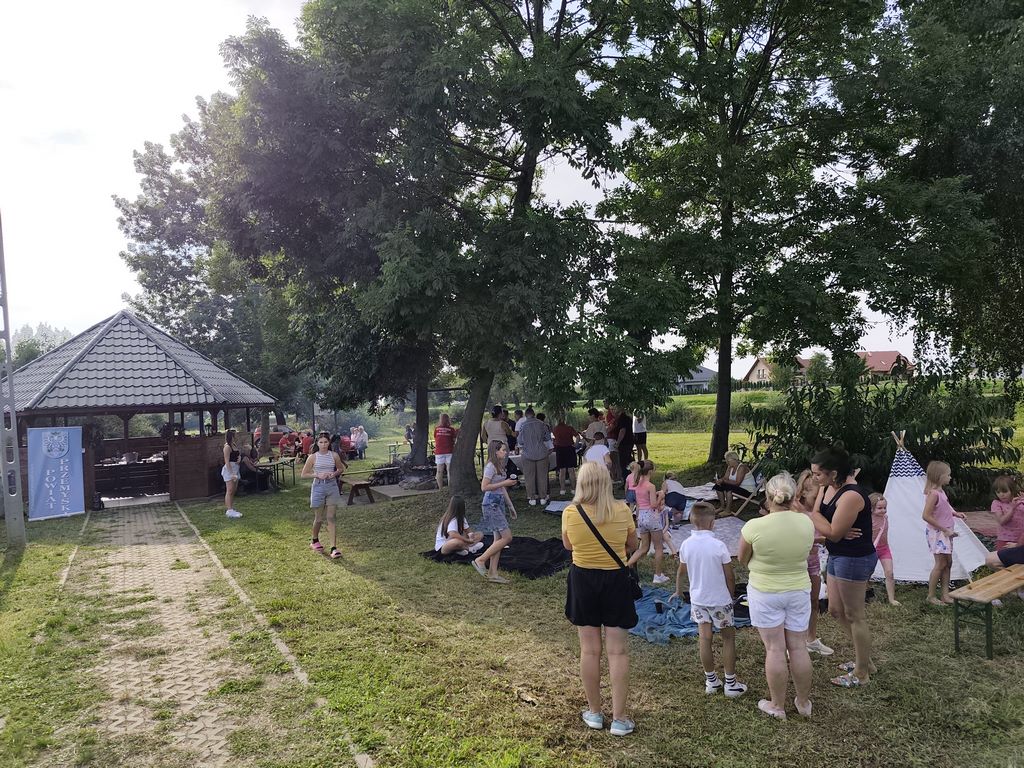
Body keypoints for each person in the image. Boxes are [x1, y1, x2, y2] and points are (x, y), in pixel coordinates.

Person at [561, 461, 638, 737]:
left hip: (583, 581)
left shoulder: (570, 513)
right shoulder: (622, 510)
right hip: (616, 580)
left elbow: (568, 545)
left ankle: (594, 712)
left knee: (589, 650)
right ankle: (619, 718)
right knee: (618, 651)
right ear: (607, 482)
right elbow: (632, 545)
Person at [738, 472, 815, 719]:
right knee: (799, 647)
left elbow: (742, 559)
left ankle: (777, 706)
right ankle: (803, 703)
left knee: (774, 649)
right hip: (798, 590)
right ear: (794, 497)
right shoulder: (806, 522)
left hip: (765, 591)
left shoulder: (753, 526)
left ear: (768, 497)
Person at [808, 446, 876, 688]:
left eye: (818, 473)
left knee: (855, 615)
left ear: (834, 473)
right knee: (836, 610)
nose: (814, 478)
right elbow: (816, 513)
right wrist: (827, 525)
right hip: (838, 555)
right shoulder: (826, 487)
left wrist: (827, 526)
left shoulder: (851, 496)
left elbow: (833, 533)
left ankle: (862, 673)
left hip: (855, 558)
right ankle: (865, 661)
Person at [673, 501, 747, 699]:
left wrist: (678, 590)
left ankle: (711, 681)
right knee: (728, 638)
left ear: (691, 521)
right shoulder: (718, 546)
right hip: (720, 600)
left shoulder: (686, 545)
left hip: (698, 600)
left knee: (704, 639)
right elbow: (729, 576)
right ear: (713, 523)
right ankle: (730, 683)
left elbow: (681, 571)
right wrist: (730, 596)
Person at [792, 470, 833, 656]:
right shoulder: (793, 511)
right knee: (796, 604)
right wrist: (821, 539)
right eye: (816, 497)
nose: (819, 501)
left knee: (814, 601)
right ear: (802, 492)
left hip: (814, 561)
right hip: (797, 563)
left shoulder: (817, 512)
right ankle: (794, 643)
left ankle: (811, 639)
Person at [921, 460, 967, 606]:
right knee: (940, 564)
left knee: (948, 563)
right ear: (939, 476)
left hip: (946, 532)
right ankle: (931, 596)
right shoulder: (933, 494)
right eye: (948, 475)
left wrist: (955, 513)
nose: (950, 477)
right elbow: (926, 515)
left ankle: (945, 595)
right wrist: (944, 529)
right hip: (938, 533)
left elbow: (944, 508)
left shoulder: (941, 492)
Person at [472, 441, 518, 584]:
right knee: (507, 537)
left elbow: (502, 489)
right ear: (496, 451)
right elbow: (484, 487)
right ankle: (480, 560)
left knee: (498, 540)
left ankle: (493, 573)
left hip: (498, 503)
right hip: (490, 504)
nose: (505, 452)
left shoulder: (500, 466)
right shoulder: (490, 467)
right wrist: (505, 483)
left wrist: (510, 506)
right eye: (503, 450)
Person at [301, 433, 347, 559]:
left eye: (326, 442)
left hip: (332, 486)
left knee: (331, 517)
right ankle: (315, 540)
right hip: (318, 487)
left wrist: (334, 474)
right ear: (317, 443)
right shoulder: (312, 457)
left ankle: (334, 548)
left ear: (329, 443)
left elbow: (340, 469)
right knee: (319, 518)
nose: (323, 445)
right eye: (321, 442)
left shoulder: (334, 455)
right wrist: (317, 475)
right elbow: (304, 474)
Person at [626, 461, 669, 584]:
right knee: (658, 547)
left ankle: (626, 567)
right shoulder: (650, 486)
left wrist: (656, 495)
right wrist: (661, 495)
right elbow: (654, 505)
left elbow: (642, 501)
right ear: (650, 471)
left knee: (643, 548)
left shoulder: (637, 484)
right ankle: (658, 575)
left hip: (641, 517)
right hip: (652, 517)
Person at [870, 492, 900, 606]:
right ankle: (864, 594)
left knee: (889, 573)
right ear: (871, 508)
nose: (883, 510)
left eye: (885, 508)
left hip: (884, 549)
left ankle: (891, 599)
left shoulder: (885, 518)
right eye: (879, 508)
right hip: (871, 550)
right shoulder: (868, 520)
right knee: (867, 574)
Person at [517, 408, 551, 506]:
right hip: (541, 453)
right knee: (542, 476)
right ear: (534, 414)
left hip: (527, 454)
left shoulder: (523, 425)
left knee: (529, 477)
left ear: (525, 415)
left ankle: (532, 498)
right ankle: (543, 497)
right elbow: (547, 438)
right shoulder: (542, 424)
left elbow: (520, 441)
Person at [991, 475, 1024, 551]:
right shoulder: (997, 503)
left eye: (1005, 491)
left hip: (1021, 539)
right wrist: (1012, 508)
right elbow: (1001, 521)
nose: (1001, 495)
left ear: (1012, 490)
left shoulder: (1020, 501)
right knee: (1003, 557)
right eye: (998, 492)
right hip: (1005, 539)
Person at [552, 415, 581, 497]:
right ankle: (573, 489)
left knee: (562, 470)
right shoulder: (569, 428)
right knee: (571, 470)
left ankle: (562, 489)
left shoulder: (555, 429)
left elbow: (554, 439)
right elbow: (578, 436)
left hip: (559, 449)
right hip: (569, 448)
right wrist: (576, 444)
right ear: (565, 420)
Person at [433, 413, 458, 490]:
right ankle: (450, 488)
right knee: (449, 470)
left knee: (439, 471)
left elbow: (436, 438)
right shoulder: (451, 429)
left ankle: (440, 488)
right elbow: (454, 440)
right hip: (449, 451)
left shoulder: (437, 429)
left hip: (439, 451)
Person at [222, 430, 242, 518]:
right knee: (229, 490)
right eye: (235, 435)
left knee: (234, 490)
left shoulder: (234, 445)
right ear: (232, 436)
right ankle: (229, 510)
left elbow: (238, 454)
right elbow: (227, 461)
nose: (237, 436)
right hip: (229, 470)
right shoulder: (227, 447)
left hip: (236, 468)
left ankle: (231, 508)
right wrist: (231, 474)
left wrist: (239, 458)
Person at [612, 407, 634, 482]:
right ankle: (630, 479)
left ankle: (626, 480)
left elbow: (622, 431)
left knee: (624, 463)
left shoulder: (622, 419)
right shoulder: (626, 418)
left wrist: (618, 442)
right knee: (627, 461)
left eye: (614, 409)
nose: (613, 411)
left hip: (624, 443)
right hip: (628, 442)